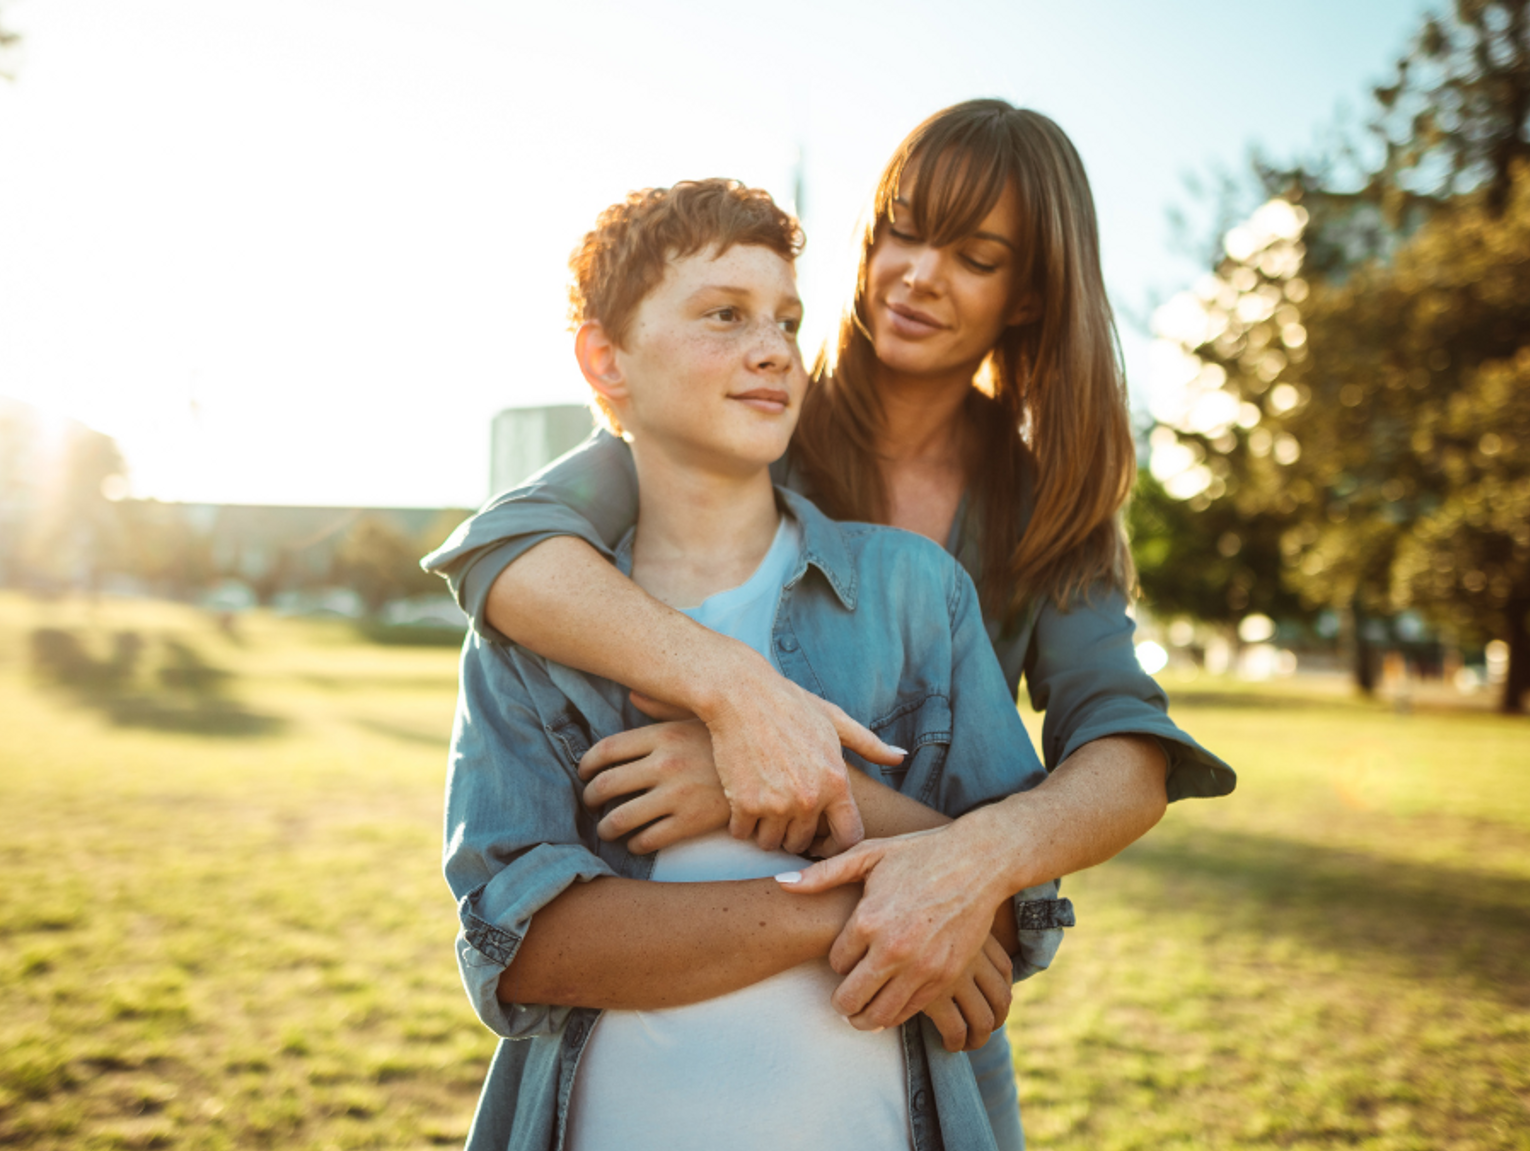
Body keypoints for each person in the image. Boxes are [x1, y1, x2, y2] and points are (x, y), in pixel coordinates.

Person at [428, 100, 1236, 1148]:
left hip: (915, 986)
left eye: (974, 255)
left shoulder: (1040, 500)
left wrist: (961, 855)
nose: (916, 273)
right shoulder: (746, 414)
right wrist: (738, 694)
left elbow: (1126, 751)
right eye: (902, 227)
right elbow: (508, 552)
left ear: (1030, 296)